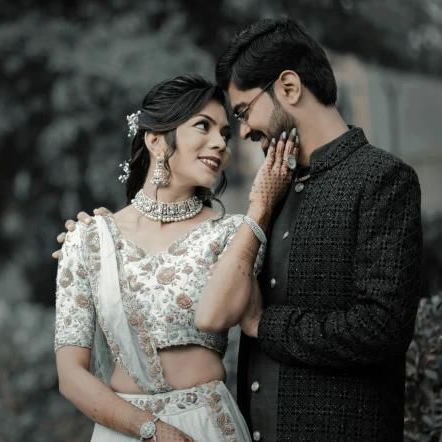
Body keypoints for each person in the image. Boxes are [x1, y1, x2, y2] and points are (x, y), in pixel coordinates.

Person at [57, 16, 423, 442]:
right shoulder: (273, 194)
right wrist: (92, 239)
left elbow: (382, 328)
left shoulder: (378, 179)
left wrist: (263, 324)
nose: (238, 136)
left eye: (241, 116)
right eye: (208, 126)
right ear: (156, 140)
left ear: (288, 87)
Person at [54, 74, 298, 442]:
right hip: (123, 430)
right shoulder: (89, 240)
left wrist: (260, 210)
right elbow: (71, 376)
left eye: (226, 134)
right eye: (203, 126)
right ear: (155, 140)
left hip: (208, 427)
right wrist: (151, 430)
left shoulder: (234, 235)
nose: (220, 144)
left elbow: (242, 319)